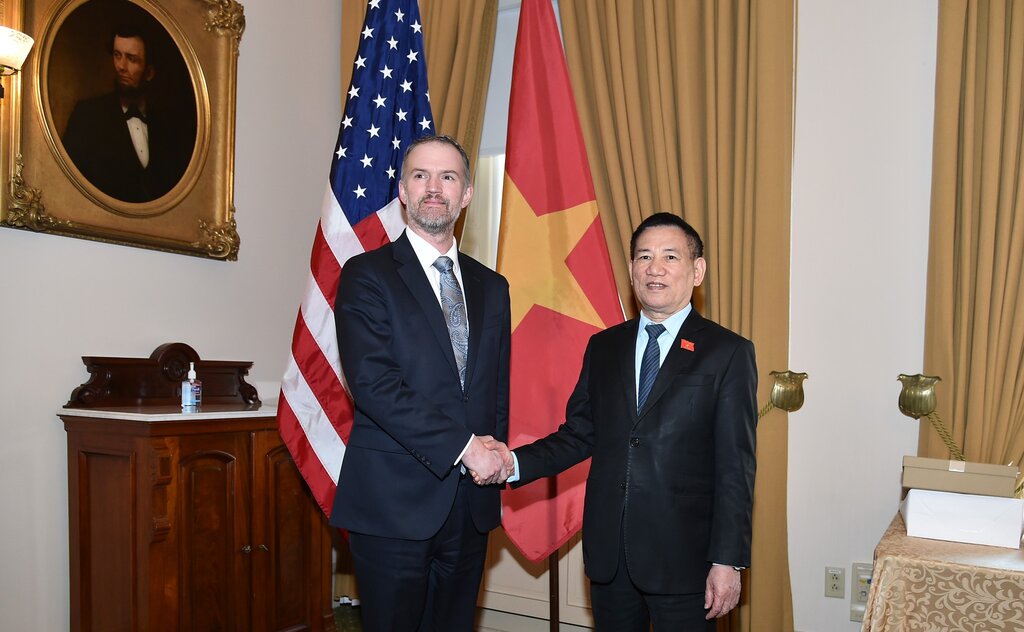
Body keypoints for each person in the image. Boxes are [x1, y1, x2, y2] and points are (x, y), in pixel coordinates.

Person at [494, 212, 757, 631]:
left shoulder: (727, 353)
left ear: (697, 270)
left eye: (670, 256)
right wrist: (512, 463)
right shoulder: (604, 347)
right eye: (644, 256)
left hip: (686, 564)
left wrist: (727, 561)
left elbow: (735, 469)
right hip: (610, 558)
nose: (655, 268)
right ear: (632, 269)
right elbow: (579, 434)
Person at [328, 135, 511, 631]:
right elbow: (375, 386)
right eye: (421, 176)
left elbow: (493, 391)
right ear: (403, 192)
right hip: (393, 504)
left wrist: (493, 457)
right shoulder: (366, 275)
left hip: (470, 504)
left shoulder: (492, 287)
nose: (435, 187)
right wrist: (465, 447)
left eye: (448, 177)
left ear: (466, 194)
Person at [62, 24, 192, 203]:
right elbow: (67, 185)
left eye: (132, 59)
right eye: (117, 55)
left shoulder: (170, 126)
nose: (121, 66)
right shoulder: (87, 116)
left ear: (149, 72)